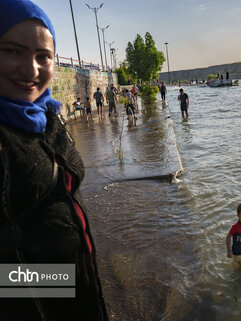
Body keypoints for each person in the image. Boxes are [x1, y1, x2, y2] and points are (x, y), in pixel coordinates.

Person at [0, 1, 108, 320]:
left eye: (42, 56)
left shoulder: (48, 115)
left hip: (80, 285)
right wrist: (61, 282)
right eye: (12, 51)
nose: (31, 69)